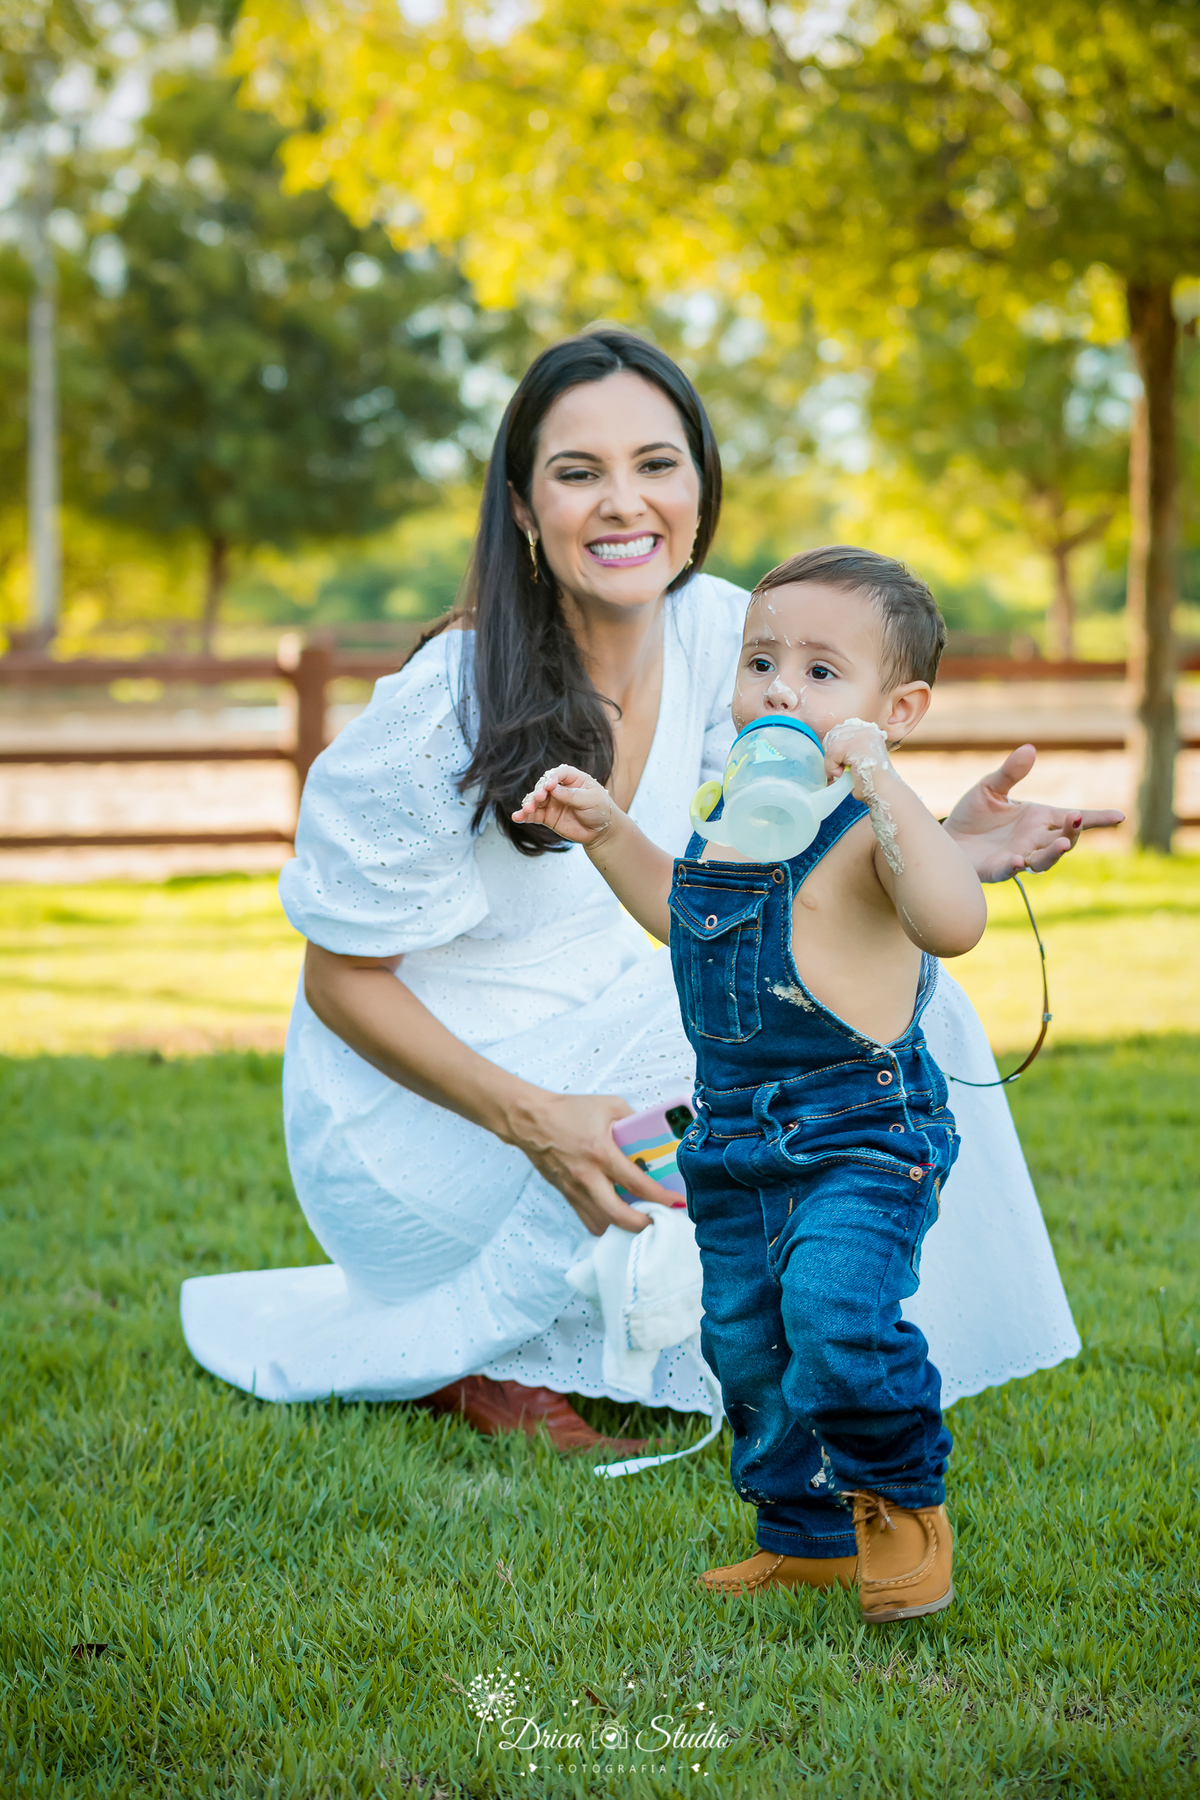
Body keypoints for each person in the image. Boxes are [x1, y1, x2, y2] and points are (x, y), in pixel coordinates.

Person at [180, 329, 1121, 1453]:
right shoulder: (444, 704)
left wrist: (935, 848)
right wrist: (539, 1124)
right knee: (758, 1005)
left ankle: (829, 1317)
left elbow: (787, 876)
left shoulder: (733, 633)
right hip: (427, 1129)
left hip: (608, 1045)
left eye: (656, 464)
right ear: (524, 507)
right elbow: (340, 983)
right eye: (578, 473)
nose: (624, 503)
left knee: (886, 999)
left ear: (700, 484)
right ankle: (472, 1346)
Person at [515, 545, 986, 1620]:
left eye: (823, 672)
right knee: (745, 1340)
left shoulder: (870, 830)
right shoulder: (728, 820)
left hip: (865, 1131)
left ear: (897, 707)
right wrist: (607, 834)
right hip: (733, 1137)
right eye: (761, 660)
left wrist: (882, 778)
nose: (779, 687)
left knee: (833, 1311)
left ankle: (903, 1505)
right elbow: (682, 915)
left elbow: (954, 921)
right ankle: (806, 1532)